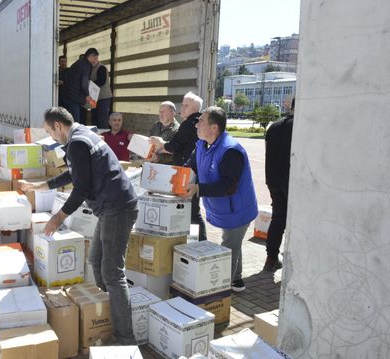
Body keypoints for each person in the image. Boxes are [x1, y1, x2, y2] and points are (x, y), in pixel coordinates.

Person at [20, 107, 138, 345]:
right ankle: (106, 310)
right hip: (109, 208)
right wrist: (41, 186)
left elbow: (81, 188)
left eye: (49, 131)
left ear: (57, 126)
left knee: (113, 274)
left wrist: (57, 218)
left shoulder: (77, 143)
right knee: (95, 260)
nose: (51, 137)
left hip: (117, 208)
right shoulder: (80, 135)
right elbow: (75, 175)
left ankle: (126, 338)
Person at [183, 107, 258, 292]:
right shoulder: (201, 144)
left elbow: (228, 186)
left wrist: (199, 189)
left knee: (228, 248)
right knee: (232, 243)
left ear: (214, 128)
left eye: (201, 121)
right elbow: (191, 166)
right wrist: (176, 178)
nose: (197, 125)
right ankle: (237, 281)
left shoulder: (230, 151)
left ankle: (221, 295)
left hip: (238, 210)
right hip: (223, 207)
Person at [149, 92, 207, 241]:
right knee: (191, 209)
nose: (183, 108)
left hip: (187, 172)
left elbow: (174, 146)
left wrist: (161, 144)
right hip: (190, 170)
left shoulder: (189, 124)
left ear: (195, 108)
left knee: (192, 210)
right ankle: (195, 240)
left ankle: (200, 242)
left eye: (186, 105)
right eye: (183, 104)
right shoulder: (194, 123)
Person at [263, 97, 294, 272]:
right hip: (290, 181)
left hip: (273, 180)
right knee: (293, 222)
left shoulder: (274, 126)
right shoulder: (300, 126)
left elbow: (268, 152)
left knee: (278, 219)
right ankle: (289, 259)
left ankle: (271, 257)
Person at [59, 48, 98, 123]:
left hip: (67, 95)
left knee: (68, 120)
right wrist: (87, 95)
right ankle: (75, 134)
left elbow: (68, 77)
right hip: (73, 97)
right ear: (92, 56)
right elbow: (84, 82)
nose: (95, 61)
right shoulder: (86, 65)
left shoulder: (78, 63)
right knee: (75, 121)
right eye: (95, 58)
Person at [89, 50, 112, 129]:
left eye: (89, 57)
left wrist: (88, 84)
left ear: (95, 57)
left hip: (103, 98)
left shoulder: (101, 67)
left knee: (102, 120)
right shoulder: (91, 68)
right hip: (94, 98)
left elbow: (101, 81)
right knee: (94, 120)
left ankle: (103, 137)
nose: (88, 60)